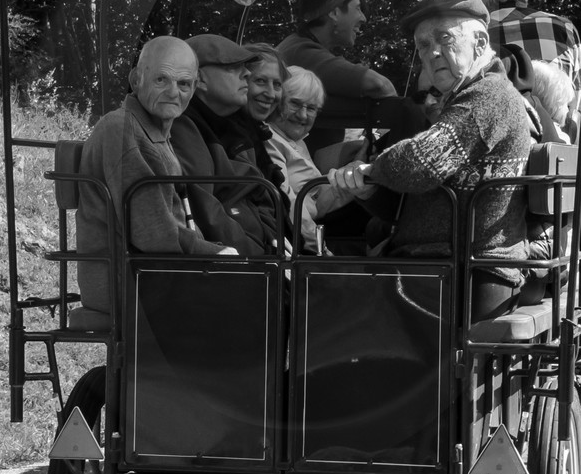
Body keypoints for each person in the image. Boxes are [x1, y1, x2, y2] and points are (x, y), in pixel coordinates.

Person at [327, 0, 531, 320]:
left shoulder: (488, 96)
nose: (433, 52)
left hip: (460, 274)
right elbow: (414, 201)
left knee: (325, 311)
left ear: (479, 42)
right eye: (423, 45)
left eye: (444, 38)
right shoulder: (464, 97)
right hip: (435, 269)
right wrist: (369, 190)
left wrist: (371, 167)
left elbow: (417, 165)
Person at [76, 36, 237, 317]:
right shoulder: (122, 129)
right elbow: (151, 233)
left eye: (184, 84)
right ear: (136, 80)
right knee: (259, 300)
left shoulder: (155, 131)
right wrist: (213, 253)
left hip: (156, 271)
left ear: (195, 88)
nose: (174, 92)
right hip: (130, 279)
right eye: (161, 79)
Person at [168, 32, 282, 253]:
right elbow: (206, 213)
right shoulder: (184, 126)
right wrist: (260, 258)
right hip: (237, 269)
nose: (247, 74)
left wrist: (272, 239)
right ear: (199, 80)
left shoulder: (236, 128)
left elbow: (260, 194)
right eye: (233, 67)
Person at [275, 0, 397, 156]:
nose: (363, 18)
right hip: (298, 169)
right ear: (334, 12)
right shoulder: (302, 52)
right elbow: (380, 85)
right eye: (357, 8)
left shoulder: (298, 47)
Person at [470, 0, 581, 141]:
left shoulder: (471, 34)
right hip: (552, 144)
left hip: (486, 140)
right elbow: (576, 102)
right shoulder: (562, 26)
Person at [264, 66, 371, 251]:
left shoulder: (296, 142)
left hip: (325, 220)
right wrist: (320, 250)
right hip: (304, 236)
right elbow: (288, 205)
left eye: (312, 108)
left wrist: (357, 170)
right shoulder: (270, 140)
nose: (303, 115)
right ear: (277, 101)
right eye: (295, 104)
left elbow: (318, 199)